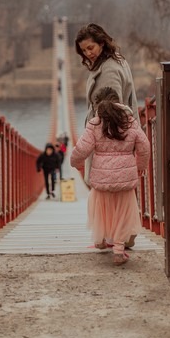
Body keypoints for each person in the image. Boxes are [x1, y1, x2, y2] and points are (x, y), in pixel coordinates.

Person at [70, 87, 150, 265]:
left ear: (97, 105)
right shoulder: (130, 122)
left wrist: (76, 163)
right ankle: (119, 251)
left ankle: (100, 240)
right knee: (123, 212)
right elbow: (144, 146)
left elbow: (81, 149)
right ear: (119, 102)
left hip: (102, 177)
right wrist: (140, 166)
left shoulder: (94, 124)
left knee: (100, 208)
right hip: (125, 177)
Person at [75, 23, 141, 124]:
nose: (87, 53)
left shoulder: (109, 70)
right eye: (83, 50)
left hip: (108, 135)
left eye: (90, 48)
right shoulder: (116, 59)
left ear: (101, 43)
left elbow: (112, 113)